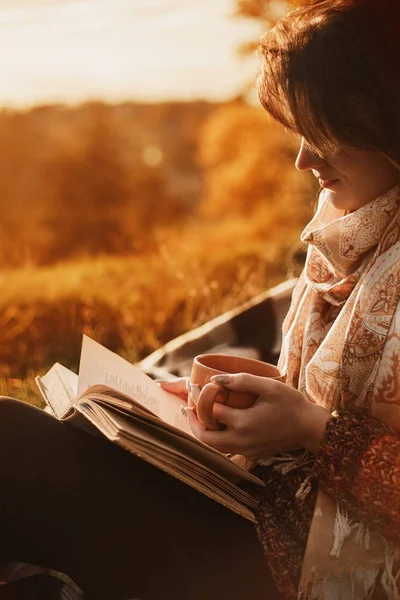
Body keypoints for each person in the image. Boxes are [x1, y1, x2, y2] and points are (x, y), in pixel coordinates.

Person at [1, 0, 400, 598]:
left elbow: (335, 424)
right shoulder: (352, 232)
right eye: (302, 132)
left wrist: (312, 428)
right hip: (263, 505)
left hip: (305, 565)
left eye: (326, 132)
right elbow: (338, 398)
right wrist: (258, 404)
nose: (304, 158)